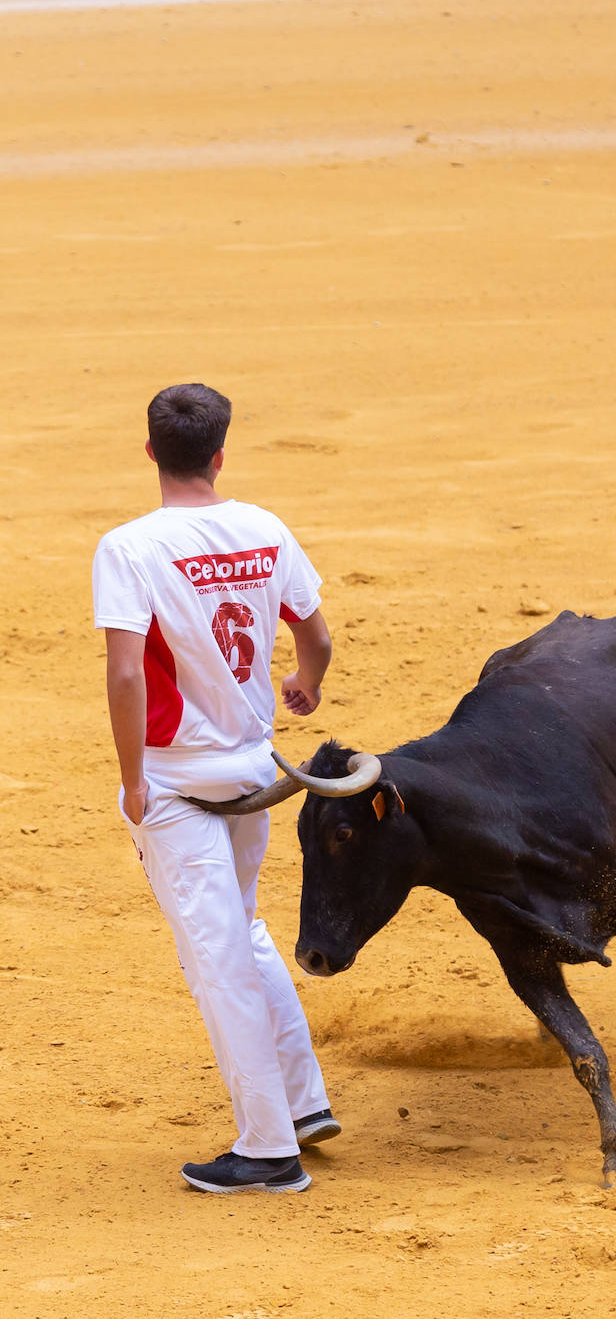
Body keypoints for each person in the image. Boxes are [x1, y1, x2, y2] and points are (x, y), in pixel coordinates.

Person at [92, 381, 338, 1195]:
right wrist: (304, 681)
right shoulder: (262, 527)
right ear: (220, 453)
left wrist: (133, 784)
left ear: (152, 450)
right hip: (253, 772)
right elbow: (315, 631)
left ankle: (268, 1149)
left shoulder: (129, 547)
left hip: (176, 779)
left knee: (217, 958)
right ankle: (301, 1103)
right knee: (242, 928)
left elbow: (126, 674)